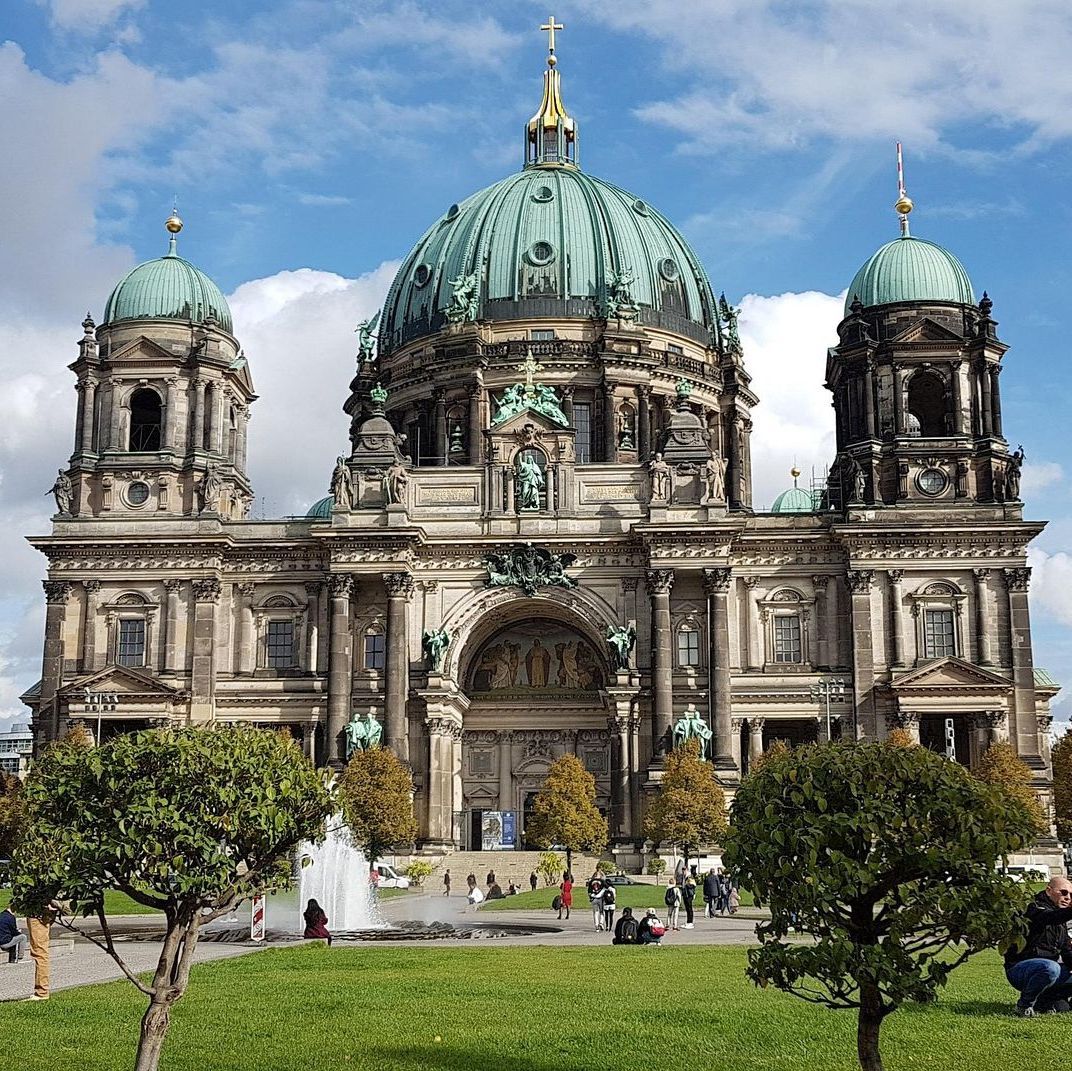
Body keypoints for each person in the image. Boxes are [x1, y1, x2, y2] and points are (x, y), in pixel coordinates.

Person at [1004, 875, 1072, 1016]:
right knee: (1050, 967)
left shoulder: (1061, 921)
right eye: (1063, 892)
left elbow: (1067, 953)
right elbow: (1050, 918)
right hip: (1021, 969)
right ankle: (1024, 1006)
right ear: (1048, 891)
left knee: (1062, 1007)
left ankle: (1044, 1000)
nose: (1067, 897)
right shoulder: (1033, 907)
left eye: (1071, 895)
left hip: (1050, 972)